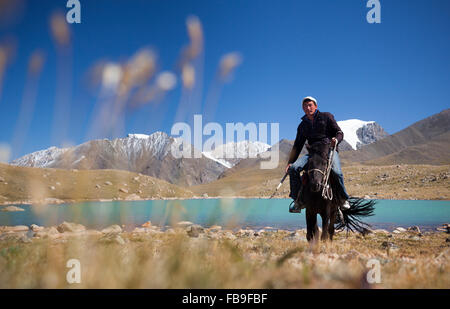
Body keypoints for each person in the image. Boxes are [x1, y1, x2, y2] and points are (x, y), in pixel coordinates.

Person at [286, 96, 350, 213]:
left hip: (328, 150)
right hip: (313, 153)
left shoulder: (326, 117)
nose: (308, 108)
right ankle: (298, 201)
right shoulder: (302, 126)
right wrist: (290, 162)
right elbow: (297, 145)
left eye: (310, 105)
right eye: (305, 106)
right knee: (294, 169)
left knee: (336, 171)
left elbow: (339, 132)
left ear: (315, 106)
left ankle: (343, 198)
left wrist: (336, 139)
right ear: (302, 108)